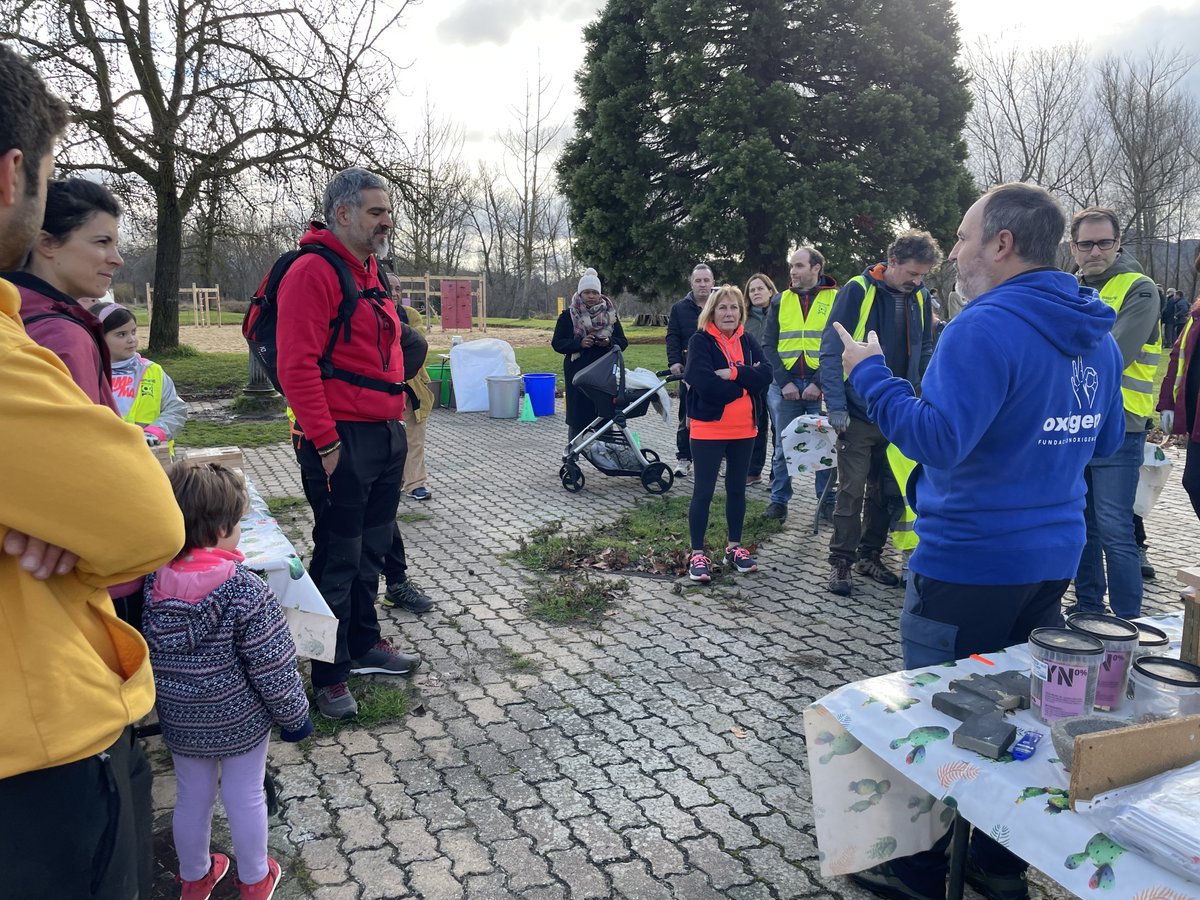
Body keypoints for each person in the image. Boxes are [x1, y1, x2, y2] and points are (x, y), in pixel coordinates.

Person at [835, 182, 1124, 900]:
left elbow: (939, 440)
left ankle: (923, 875)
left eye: (962, 239)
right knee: (1015, 716)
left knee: (941, 718)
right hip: (1050, 561)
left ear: (1001, 244)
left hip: (967, 562)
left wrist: (869, 375)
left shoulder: (983, 326)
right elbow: (1110, 437)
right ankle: (999, 867)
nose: (954, 254)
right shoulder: (1093, 330)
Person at [0, 43, 186, 900]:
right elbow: (142, 523)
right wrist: (66, 512)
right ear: (14, 181)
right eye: (103, 242)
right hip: (39, 767)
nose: (116, 259)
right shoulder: (60, 334)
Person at [276, 167, 421, 720]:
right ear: (342, 214)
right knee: (336, 559)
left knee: (372, 553)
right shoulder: (314, 271)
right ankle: (325, 674)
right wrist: (328, 442)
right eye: (375, 212)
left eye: (387, 211)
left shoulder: (369, 272)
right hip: (342, 440)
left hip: (384, 436)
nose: (386, 221)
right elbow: (296, 365)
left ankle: (362, 646)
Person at [142, 461, 312, 900]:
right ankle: (255, 878)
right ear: (222, 529)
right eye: (237, 523)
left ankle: (195, 877)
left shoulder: (152, 583)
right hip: (239, 721)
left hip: (181, 720)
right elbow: (272, 666)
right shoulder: (246, 590)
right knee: (246, 795)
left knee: (191, 797)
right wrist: (295, 717)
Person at [820, 231, 939, 597]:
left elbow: (924, 350)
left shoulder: (919, 297)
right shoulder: (858, 290)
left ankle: (869, 555)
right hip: (856, 413)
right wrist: (837, 405)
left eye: (923, 276)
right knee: (851, 490)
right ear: (893, 261)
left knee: (888, 491)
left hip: (899, 412)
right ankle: (841, 560)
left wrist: (922, 398)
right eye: (913, 273)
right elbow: (830, 349)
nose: (917, 281)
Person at [1068, 207, 1161, 620]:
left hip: (1121, 425)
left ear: (1118, 243)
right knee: (1080, 526)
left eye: (1104, 242)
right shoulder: (1068, 287)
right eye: (1086, 243)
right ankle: (1088, 608)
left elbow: (1113, 357)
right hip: (1074, 425)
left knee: (1114, 529)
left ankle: (1127, 622)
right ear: (1072, 247)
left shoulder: (1139, 289)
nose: (1095, 251)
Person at [4, 178, 122, 410]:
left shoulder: (8, 314)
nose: (117, 259)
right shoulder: (64, 337)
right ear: (47, 243)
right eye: (102, 242)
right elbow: (85, 441)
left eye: (115, 244)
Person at [682, 284, 772, 583]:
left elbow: (767, 374)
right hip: (708, 429)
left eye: (734, 307)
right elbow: (702, 381)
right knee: (704, 492)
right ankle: (697, 553)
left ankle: (734, 547)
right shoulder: (700, 341)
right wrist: (744, 385)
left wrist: (734, 373)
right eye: (723, 307)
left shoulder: (748, 341)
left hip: (744, 429)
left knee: (737, 490)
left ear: (741, 311)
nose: (729, 313)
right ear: (712, 311)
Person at [760, 248, 839, 521]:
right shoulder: (780, 301)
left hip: (821, 386)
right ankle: (779, 501)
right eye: (792, 266)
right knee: (784, 444)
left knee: (824, 446)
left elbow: (841, 343)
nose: (793, 271)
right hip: (786, 386)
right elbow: (768, 345)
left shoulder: (836, 299)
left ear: (816, 268)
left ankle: (827, 501)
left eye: (799, 266)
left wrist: (819, 383)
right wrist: (784, 382)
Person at [91, 301, 188, 453]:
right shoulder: (88, 373)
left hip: (151, 459)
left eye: (134, 332)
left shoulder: (152, 371)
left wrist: (155, 432)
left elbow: (175, 409)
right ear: (98, 337)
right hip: (104, 458)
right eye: (121, 334)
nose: (132, 340)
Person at [552, 267, 628, 441]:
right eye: (587, 292)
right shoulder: (567, 316)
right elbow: (557, 343)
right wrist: (579, 344)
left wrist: (609, 342)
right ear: (580, 293)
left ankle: (608, 454)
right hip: (577, 373)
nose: (591, 296)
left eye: (594, 292)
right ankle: (573, 455)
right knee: (577, 418)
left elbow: (622, 341)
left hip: (603, 373)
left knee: (604, 416)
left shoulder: (611, 316)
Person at [666, 263, 715, 477]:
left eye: (706, 280)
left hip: (716, 371)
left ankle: (718, 459)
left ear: (713, 282)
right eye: (698, 280)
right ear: (691, 283)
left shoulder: (720, 306)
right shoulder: (679, 308)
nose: (702, 284)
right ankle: (684, 458)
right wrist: (674, 362)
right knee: (686, 416)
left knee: (716, 414)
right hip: (688, 371)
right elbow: (672, 337)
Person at [1158, 289, 1200, 522]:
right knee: (1193, 483)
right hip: (1195, 418)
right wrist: (1168, 404)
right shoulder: (1196, 315)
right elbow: (1177, 357)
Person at [743, 272, 775, 486]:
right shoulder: (743, 318)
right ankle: (754, 471)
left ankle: (778, 474)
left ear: (771, 291)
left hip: (778, 377)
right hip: (754, 378)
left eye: (760, 288)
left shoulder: (780, 313)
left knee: (778, 428)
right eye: (752, 290)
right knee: (757, 425)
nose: (756, 293)